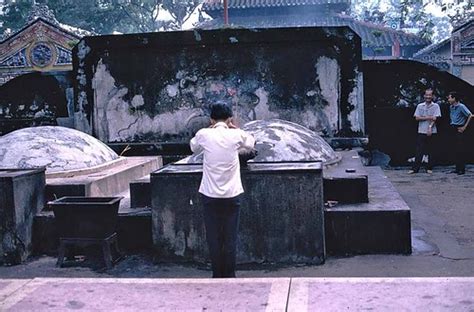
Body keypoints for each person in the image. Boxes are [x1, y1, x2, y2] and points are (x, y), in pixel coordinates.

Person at [190, 102, 255, 278]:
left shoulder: (204, 134)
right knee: (230, 236)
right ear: (230, 119)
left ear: (211, 119)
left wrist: (209, 129)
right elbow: (251, 143)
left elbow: (193, 147)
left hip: (209, 195)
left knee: (213, 236)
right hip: (232, 195)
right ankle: (230, 274)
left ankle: (217, 274)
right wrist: (233, 128)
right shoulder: (236, 134)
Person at [409, 89, 441, 174]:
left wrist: (430, 127)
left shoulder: (436, 106)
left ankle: (429, 168)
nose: (428, 97)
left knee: (431, 150)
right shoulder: (420, 106)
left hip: (432, 131)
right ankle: (415, 169)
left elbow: (435, 118)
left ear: (432, 96)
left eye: (430, 95)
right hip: (422, 130)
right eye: (427, 95)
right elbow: (417, 118)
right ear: (424, 96)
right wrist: (429, 117)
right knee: (419, 150)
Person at [447, 91, 472, 175]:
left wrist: (464, 127)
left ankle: (462, 169)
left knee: (460, 149)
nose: (448, 99)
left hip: (459, 128)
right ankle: (457, 168)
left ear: (454, 98)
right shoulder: (451, 107)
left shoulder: (461, 106)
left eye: (450, 97)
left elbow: (470, 115)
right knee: (455, 149)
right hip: (453, 128)